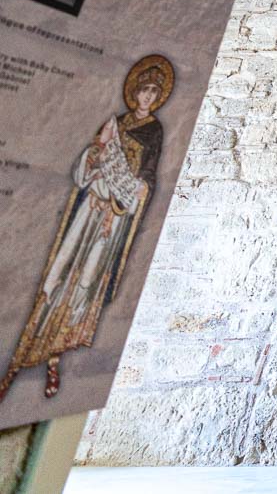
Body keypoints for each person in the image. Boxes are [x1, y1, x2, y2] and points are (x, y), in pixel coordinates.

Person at [0, 57, 173, 403]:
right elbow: (87, 165)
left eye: (153, 92)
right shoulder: (116, 123)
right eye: (143, 90)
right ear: (135, 92)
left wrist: (137, 187)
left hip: (113, 217)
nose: (146, 97)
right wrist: (96, 156)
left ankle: (54, 358)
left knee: (86, 281)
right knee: (59, 271)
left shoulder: (154, 131)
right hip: (90, 205)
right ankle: (18, 362)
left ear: (157, 97)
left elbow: (147, 178)